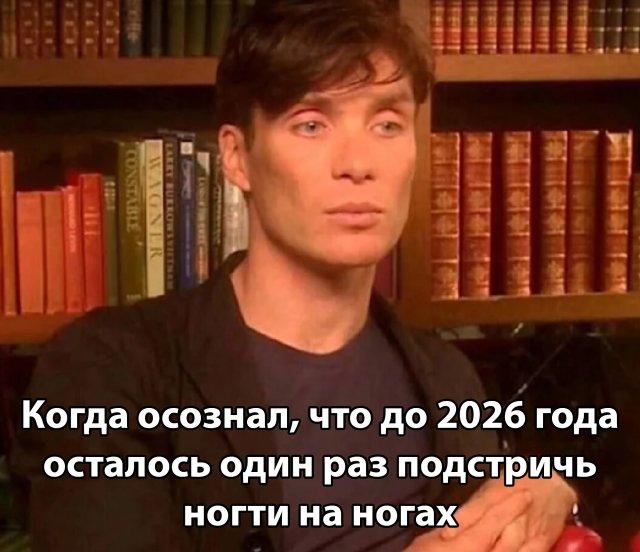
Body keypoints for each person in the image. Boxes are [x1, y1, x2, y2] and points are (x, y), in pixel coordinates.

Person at [9, 1, 576, 551]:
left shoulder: (447, 378)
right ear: (237, 157)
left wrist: (551, 496)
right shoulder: (106, 369)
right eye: (310, 125)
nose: (358, 164)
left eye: (386, 124)